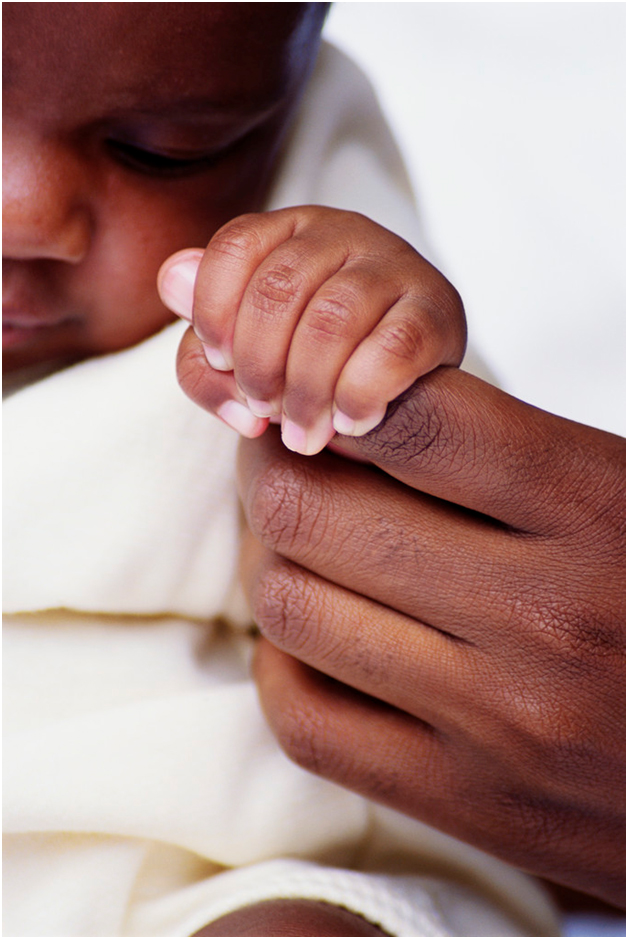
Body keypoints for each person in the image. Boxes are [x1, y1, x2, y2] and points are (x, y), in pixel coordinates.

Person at [3, 3, 562, 937]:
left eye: (164, 150)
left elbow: (493, 584)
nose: (27, 216)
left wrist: (355, 344)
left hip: (220, 869)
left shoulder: (284, 246)